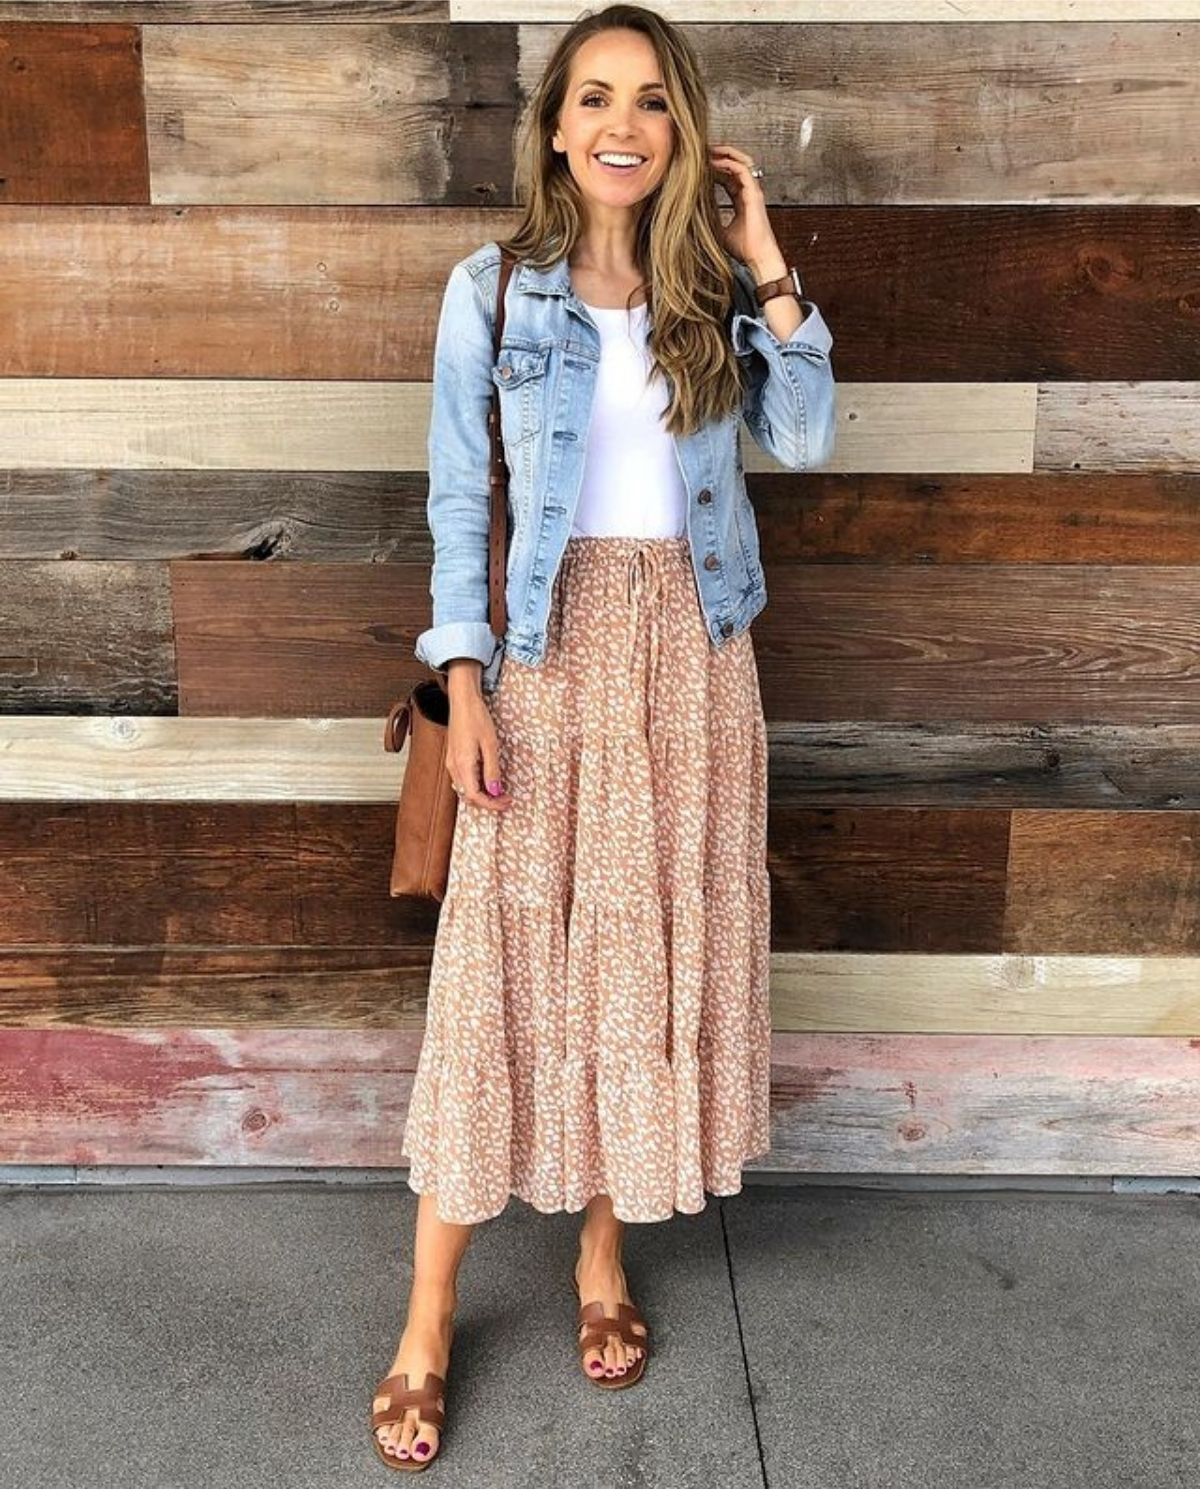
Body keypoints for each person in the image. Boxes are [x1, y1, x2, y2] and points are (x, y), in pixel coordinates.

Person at [370, 3, 835, 1470]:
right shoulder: (494, 291)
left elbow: (808, 436)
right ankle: (427, 1317)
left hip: (694, 657)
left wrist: (766, 264)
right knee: (508, 964)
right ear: (557, 127)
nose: (622, 124)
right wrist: (469, 680)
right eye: (595, 98)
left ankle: (598, 1258)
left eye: (650, 101)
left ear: (681, 129)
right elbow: (459, 496)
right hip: (547, 653)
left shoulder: (707, 291)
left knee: (635, 960)